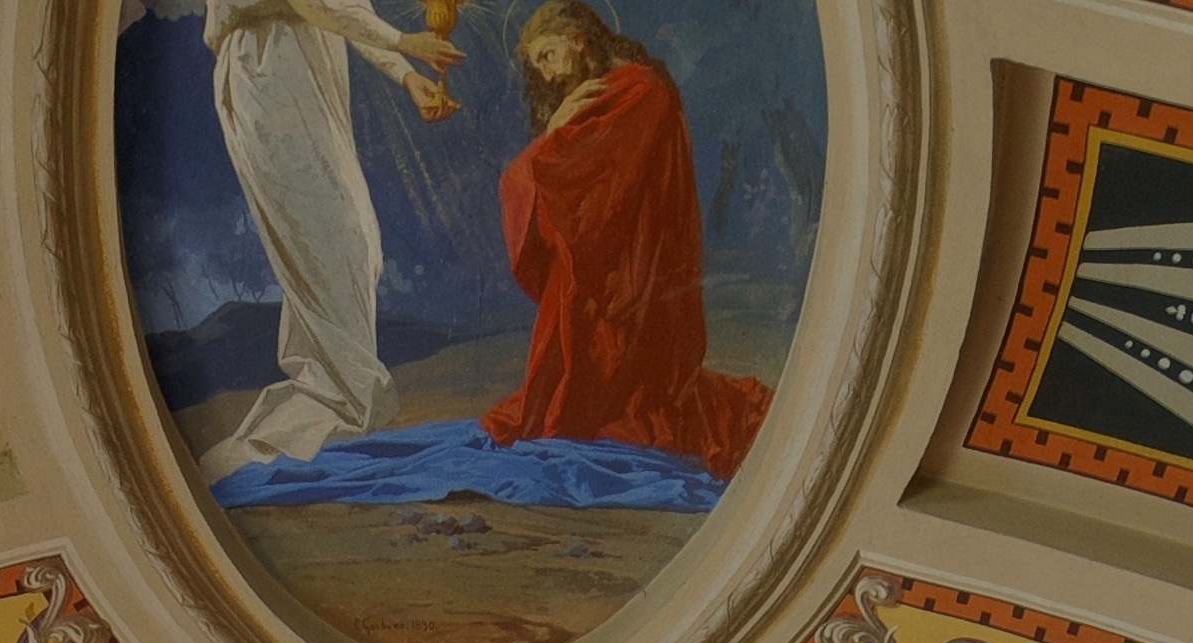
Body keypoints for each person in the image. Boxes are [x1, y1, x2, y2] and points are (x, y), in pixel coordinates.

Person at [485, 1, 770, 473]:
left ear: (578, 39)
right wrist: (556, 133)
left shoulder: (641, 91)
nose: (549, 74)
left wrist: (552, 140)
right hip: (610, 272)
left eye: (549, 55)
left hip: (633, 283)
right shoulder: (616, 91)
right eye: (539, 64)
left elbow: (588, 192)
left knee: (599, 407)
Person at [189, 0, 464, 478]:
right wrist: (405, 43)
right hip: (266, 67)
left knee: (353, 245)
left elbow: (343, 6)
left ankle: (330, 389)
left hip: (309, 68)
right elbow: (313, 3)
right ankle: (335, 396)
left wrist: (405, 75)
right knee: (333, 241)